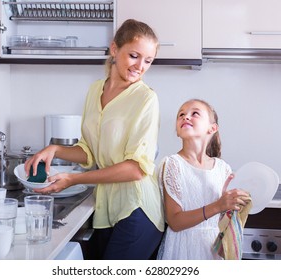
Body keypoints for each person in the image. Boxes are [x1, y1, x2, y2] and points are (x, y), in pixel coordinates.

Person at [24, 19, 164, 260]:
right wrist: (55, 149)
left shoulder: (145, 99)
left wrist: (73, 179)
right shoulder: (95, 90)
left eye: (148, 61)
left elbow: (136, 169)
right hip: (106, 210)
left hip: (137, 209)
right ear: (114, 49)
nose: (140, 66)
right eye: (134, 55)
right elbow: (89, 151)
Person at [157, 99, 250, 260]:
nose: (186, 117)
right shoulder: (172, 164)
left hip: (213, 250)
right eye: (181, 114)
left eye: (195, 113)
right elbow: (175, 222)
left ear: (212, 128)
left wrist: (231, 207)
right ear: (178, 132)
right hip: (182, 248)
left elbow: (223, 221)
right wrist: (218, 205)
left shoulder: (223, 168)